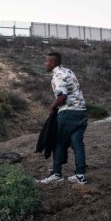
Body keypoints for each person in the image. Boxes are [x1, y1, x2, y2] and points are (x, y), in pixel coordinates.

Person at [40, 52, 88, 184]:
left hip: (68, 113)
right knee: (77, 143)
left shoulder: (58, 75)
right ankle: (80, 175)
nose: (45, 63)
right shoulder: (68, 72)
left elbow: (62, 96)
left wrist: (51, 107)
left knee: (59, 142)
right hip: (82, 112)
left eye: (46, 61)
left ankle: (56, 173)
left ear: (52, 63)